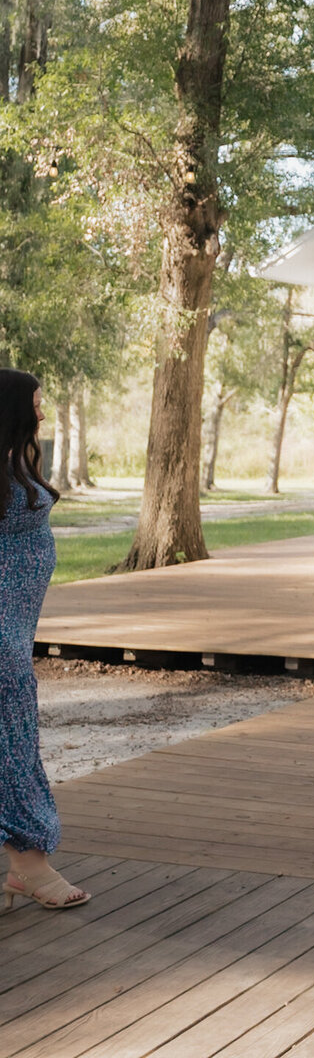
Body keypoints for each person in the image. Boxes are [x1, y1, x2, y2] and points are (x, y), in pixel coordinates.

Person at [1, 370, 90, 911]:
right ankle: (29, 865)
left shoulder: (14, 460)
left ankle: (21, 868)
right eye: (35, 403)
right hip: (1, 638)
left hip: (15, 629)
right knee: (11, 741)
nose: (41, 412)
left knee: (12, 737)